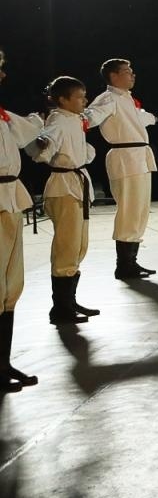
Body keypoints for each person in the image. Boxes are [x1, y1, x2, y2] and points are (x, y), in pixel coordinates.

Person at [25, 76, 111, 324]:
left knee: (78, 245)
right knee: (67, 246)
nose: (84, 101)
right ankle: (61, 308)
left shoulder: (73, 119)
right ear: (63, 100)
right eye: (79, 97)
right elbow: (46, 143)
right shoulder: (58, 120)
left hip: (76, 184)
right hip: (64, 188)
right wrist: (42, 142)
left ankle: (69, 301)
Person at [88, 59, 158, 280]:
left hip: (138, 156)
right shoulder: (108, 98)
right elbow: (92, 116)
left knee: (139, 210)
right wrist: (78, 118)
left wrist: (151, 118)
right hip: (125, 157)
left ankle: (131, 262)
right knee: (129, 210)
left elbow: (139, 117)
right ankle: (124, 264)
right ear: (114, 76)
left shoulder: (126, 99)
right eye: (127, 71)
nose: (132, 75)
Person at [1, 50, 45, 389]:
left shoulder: (3, 117)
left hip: (9, 197)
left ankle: (3, 363)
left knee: (10, 284)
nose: (2, 75)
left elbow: (26, 130)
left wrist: (41, 120)